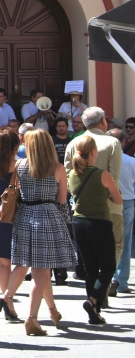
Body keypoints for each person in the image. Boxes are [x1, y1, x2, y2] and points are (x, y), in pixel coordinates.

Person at [2, 130, 75, 336]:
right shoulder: (57, 168)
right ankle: (32, 318)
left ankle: (50, 309)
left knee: (33, 267)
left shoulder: (21, 165)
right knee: (42, 272)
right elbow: (62, 200)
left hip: (24, 216)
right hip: (48, 216)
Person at [63, 107, 124, 277]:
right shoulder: (112, 143)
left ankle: (97, 290)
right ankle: (103, 285)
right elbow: (114, 176)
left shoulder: (73, 143)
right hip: (109, 206)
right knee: (115, 245)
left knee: (89, 254)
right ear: (103, 121)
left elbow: (69, 177)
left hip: (81, 207)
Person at [69, 136, 123, 325]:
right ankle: (93, 300)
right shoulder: (102, 174)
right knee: (108, 266)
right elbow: (118, 200)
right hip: (99, 222)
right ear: (93, 152)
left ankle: (94, 312)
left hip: (79, 223)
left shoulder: (73, 174)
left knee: (90, 268)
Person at [0, 130, 19, 311]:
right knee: (23, 263)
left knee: (2, 262)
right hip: (15, 213)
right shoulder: (19, 166)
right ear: (16, 146)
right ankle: (7, 296)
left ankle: (8, 303)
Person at [110, 148, 135, 295]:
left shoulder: (107, 161)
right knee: (124, 243)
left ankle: (111, 277)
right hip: (127, 202)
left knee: (109, 241)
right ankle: (121, 282)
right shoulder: (131, 161)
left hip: (110, 202)